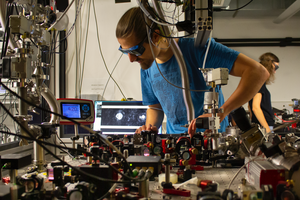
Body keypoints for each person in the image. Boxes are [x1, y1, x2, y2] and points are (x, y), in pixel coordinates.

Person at [115, 6, 269, 137]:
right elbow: (155, 107)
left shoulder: (198, 50)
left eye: (136, 50)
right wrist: (148, 129)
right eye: (125, 51)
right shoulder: (146, 65)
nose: (131, 59)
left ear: (155, 36)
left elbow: (258, 72)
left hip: (211, 141)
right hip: (175, 146)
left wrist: (222, 112)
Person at [248, 52, 279, 133]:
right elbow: (255, 108)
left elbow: (249, 106)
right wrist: (267, 129)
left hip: (260, 125)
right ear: (269, 64)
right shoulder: (259, 82)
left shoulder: (256, 81)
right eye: (275, 67)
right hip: (264, 126)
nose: (275, 71)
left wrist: (253, 120)